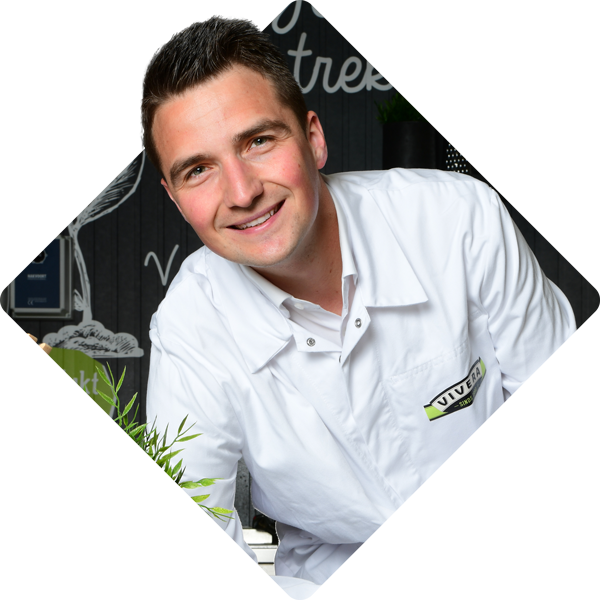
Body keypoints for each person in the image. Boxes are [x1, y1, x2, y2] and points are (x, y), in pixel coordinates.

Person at [140, 16, 600, 600]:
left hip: (494, 542)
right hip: (326, 581)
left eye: (258, 141)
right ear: (174, 197)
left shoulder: (458, 221)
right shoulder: (190, 321)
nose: (241, 192)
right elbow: (199, 574)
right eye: (198, 170)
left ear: (313, 139)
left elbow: (569, 421)